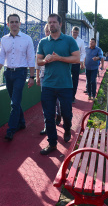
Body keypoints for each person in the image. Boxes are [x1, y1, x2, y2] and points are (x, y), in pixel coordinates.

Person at [37, 13, 80, 155]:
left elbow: (76, 59)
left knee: (66, 113)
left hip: (65, 84)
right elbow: (38, 61)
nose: (52, 24)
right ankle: (52, 143)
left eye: (54, 22)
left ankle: (67, 128)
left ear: (60, 24)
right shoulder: (43, 42)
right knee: (49, 116)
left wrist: (59, 58)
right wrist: (46, 60)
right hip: (48, 85)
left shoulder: (68, 40)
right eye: (50, 22)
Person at [0, 13, 35, 141]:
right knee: (15, 101)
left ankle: (11, 129)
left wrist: (32, 76)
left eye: (16, 22)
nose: (14, 24)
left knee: (14, 103)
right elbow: (1, 56)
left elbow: (30, 58)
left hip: (20, 73)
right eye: (11, 22)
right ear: (8, 24)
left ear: (20, 23)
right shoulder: (4, 39)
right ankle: (22, 123)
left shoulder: (27, 39)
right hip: (8, 73)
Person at [36, 24, 61, 135]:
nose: (47, 32)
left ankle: (59, 113)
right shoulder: (42, 43)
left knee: (56, 101)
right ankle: (47, 126)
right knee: (46, 103)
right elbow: (37, 62)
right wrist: (37, 77)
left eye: (48, 31)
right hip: (43, 77)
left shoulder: (57, 44)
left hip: (55, 78)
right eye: (46, 31)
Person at [70, 26, 86, 103]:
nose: (75, 33)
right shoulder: (67, 39)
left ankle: (72, 96)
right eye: (74, 32)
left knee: (75, 80)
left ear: (78, 33)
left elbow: (83, 53)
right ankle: (66, 95)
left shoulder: (81, 41)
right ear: (71, 32)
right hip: (67, 63)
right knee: (66, 79)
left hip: (76, 64)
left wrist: (80, 61)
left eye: (76, 32)